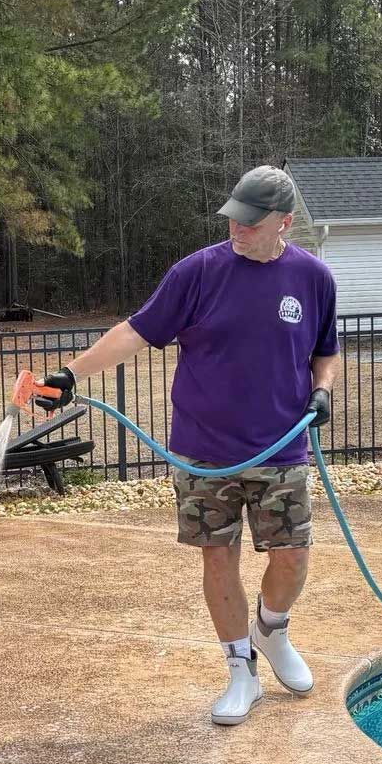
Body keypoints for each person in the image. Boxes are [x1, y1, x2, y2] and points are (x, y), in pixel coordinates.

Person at [36, 165, 340, 726]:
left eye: (252, 223)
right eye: (233, 219)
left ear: (284, 223)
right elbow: (133, 331)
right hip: (204, 450)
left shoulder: (313, 278)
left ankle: (271, 633)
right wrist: (72, 374)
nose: (237, 230)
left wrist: (322, 391)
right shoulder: (197, 273)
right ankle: (240, 673)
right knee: (218, 556)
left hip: (282, 448)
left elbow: (325, 349)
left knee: (293, 557)